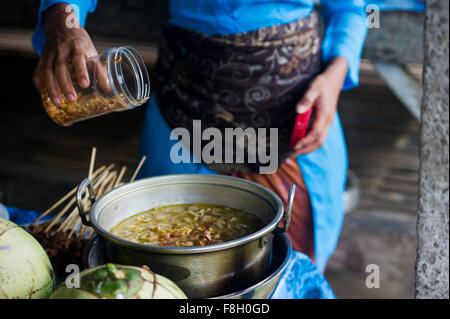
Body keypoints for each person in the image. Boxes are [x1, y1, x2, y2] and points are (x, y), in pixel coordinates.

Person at [32, 0, 367, 272]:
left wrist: (336, 74)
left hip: (295, 117)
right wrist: (63, 17)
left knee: (290, 269)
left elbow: (351, 7)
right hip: (182, 112)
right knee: (161, 269)